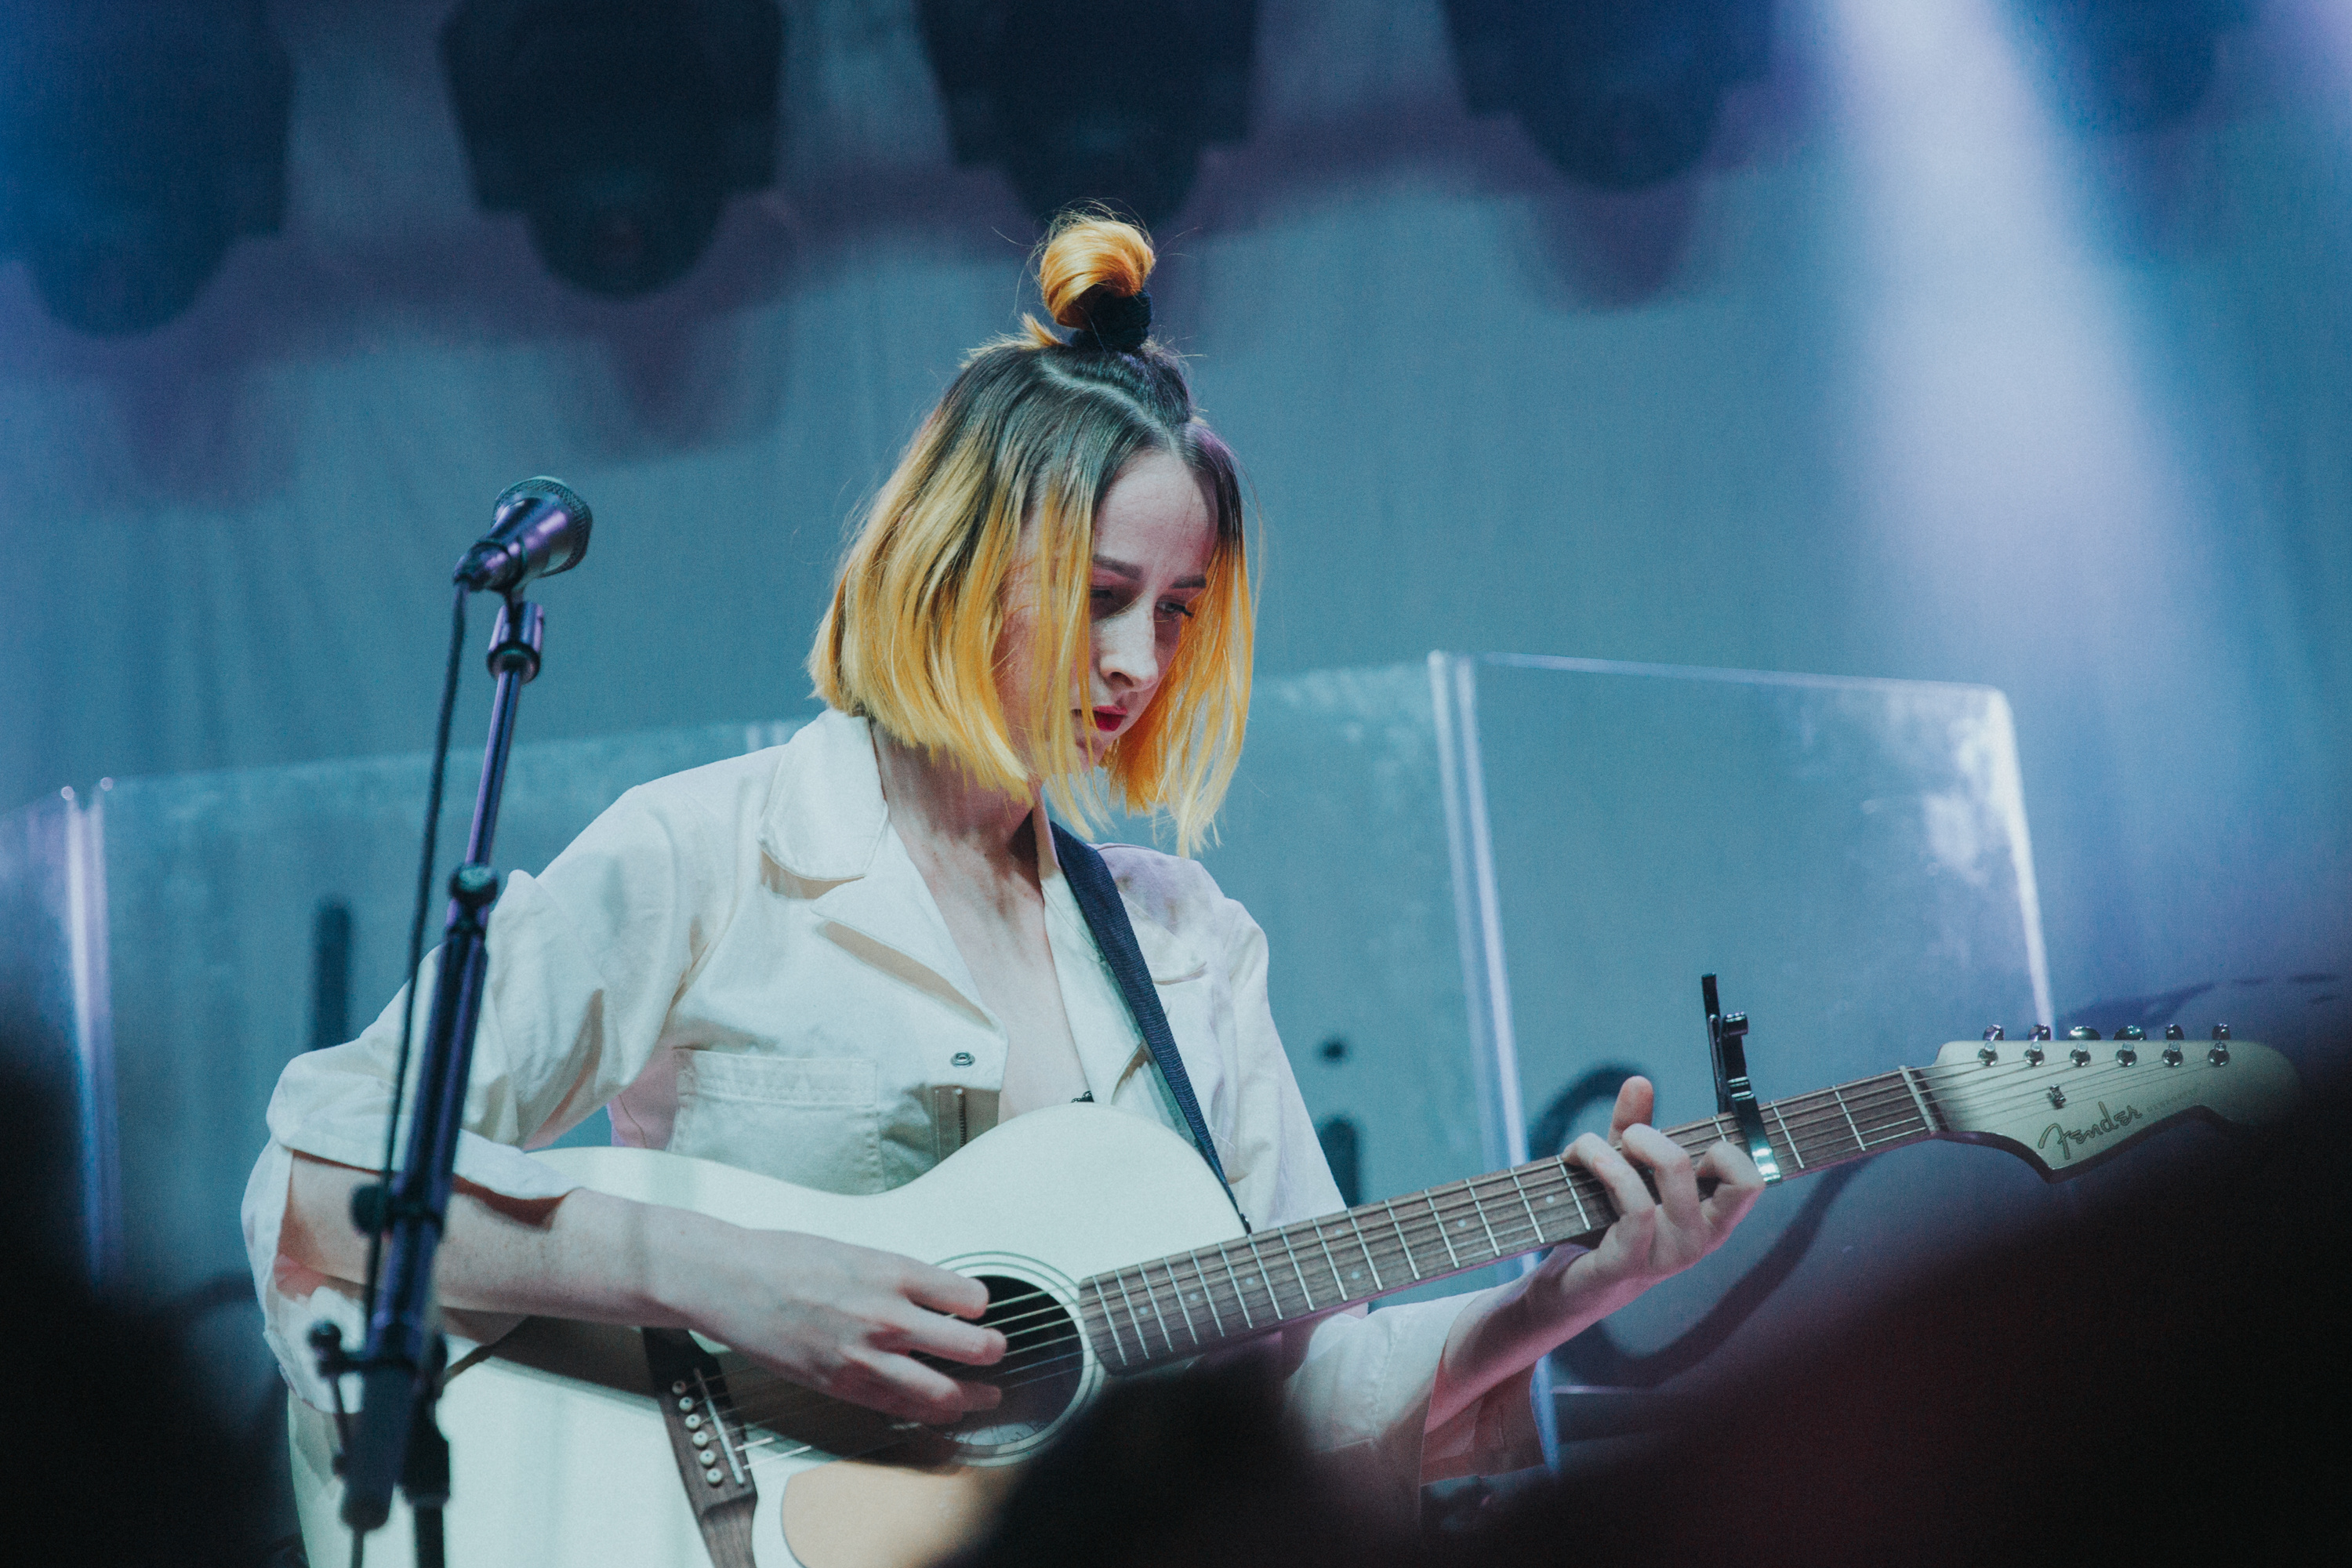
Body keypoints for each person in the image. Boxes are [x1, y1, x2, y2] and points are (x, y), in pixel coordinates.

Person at [243, 212, 1764, 1535]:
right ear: (967, 554)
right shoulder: (709, 847)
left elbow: (1293, 1381)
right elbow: (322, 1187)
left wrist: (1556, 1296)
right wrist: (728, 1271)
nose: (1137, 660)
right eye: (1105, 596)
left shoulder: (1187, 944)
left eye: (1178, 612)